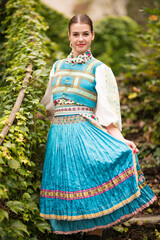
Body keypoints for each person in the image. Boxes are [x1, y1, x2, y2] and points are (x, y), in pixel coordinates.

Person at [38, 14, 157, 239]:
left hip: (86, 138)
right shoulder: (57, 67)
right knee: (68, 194)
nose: (80, 38)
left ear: (92, 36)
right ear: (69, 37)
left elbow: (107, 115)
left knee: (90, 194)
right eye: (76, 34)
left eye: (85, 34)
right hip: (59, 141)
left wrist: (120, 140)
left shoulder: (100, 69)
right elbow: (47, 106)